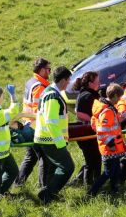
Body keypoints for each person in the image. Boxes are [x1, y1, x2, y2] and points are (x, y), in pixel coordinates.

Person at [33, 66, 74, 203]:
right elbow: (51, 122)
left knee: (53, 168)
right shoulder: (52, 95)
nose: (69, 83)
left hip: (47, 139)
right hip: (50, 140)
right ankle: (48, 193)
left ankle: (48, 195)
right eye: (68, 80)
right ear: (63, 80)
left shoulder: (51, 93)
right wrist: (60, 143)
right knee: (68, 167)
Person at [15, 57, 51, 188]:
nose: (50, 72)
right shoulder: (39, 87)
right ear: (41, 70)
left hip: (27, 125)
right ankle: (44, 189)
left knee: (31, 157)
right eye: (48, 69)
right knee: (45, 158)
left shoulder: (31, 81)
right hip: (35, 127)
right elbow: (39, 111)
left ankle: (18, 184)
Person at [89, 84, 126, 196]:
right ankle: (92, 192)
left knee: (115, 170)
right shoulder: (107, 111)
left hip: (113, 146)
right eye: (119, 97)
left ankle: (114, 190)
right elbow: (102, 131)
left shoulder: (107, 108)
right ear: (114, 95)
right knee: (108, 172)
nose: (119, 100)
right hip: (109, 147)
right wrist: (110, 144)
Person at [70, 72, 102, 186]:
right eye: (97, 81)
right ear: (90, 83)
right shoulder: (87, 95)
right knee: (92, 161)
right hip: (87, 133)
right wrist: (93, 120)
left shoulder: (89, 94)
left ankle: (92, 183)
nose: (99, 83)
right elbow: (79, 113)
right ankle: (91, 185)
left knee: (94, 160)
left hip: (88, 132)